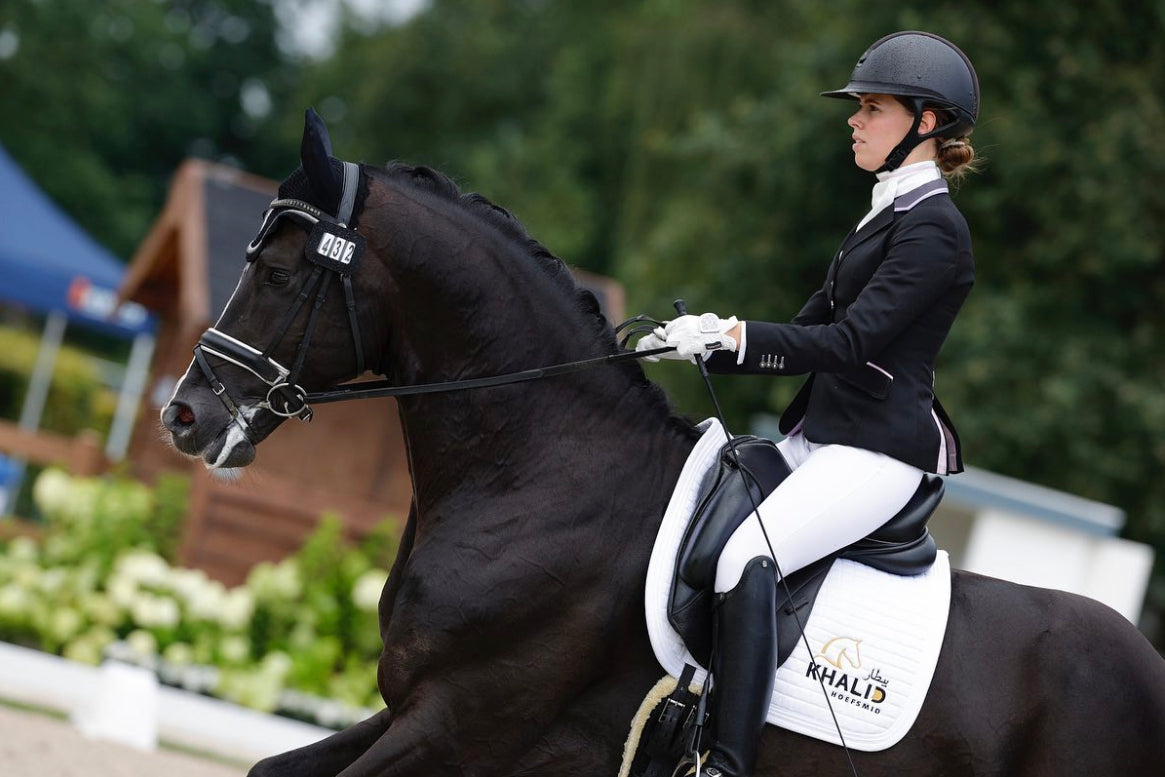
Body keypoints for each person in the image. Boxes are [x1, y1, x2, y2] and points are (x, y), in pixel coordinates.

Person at [636, 31, 980, 777]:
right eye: (859, 108)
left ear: (925, 122)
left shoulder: (935, 229)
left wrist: (733, 337)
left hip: (875, 451)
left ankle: (727, 763)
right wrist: (707, 340)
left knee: (747, 555)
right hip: (821, 434)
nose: (854, 120)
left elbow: (851, 342)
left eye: (873, 108)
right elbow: (805, 329)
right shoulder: (885, 213)